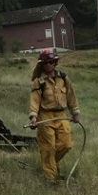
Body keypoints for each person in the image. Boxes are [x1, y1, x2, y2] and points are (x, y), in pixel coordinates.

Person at [28, 50, 81, 184]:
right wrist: (33, 117)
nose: (49, 65)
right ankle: (51, 178)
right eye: (46, 62)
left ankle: (50, 164)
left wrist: (75, 113)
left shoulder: (63, 78)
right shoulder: (39, 81)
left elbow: (71, 96)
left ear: (55, 62)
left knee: (67, 144)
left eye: (51, 62)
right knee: (49, 147)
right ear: (42, 64)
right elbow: (34, 100)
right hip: (45, 116)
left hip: (61, 115)